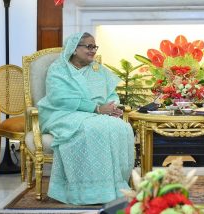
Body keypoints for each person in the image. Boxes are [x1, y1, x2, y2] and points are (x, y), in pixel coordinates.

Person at [37, 32, 135, 205]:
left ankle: (113, 189)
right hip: (61, 113)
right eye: (88, 47)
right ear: (74, 49)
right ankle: (86, 191)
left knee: (121, 127)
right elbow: (60, 98)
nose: (93, 51)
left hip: (96, 114)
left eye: (94, 47)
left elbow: (111, 94)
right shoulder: (58, 69)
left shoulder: (99, 70)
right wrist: (96, 108)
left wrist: (112, 108)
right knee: (92, 128)